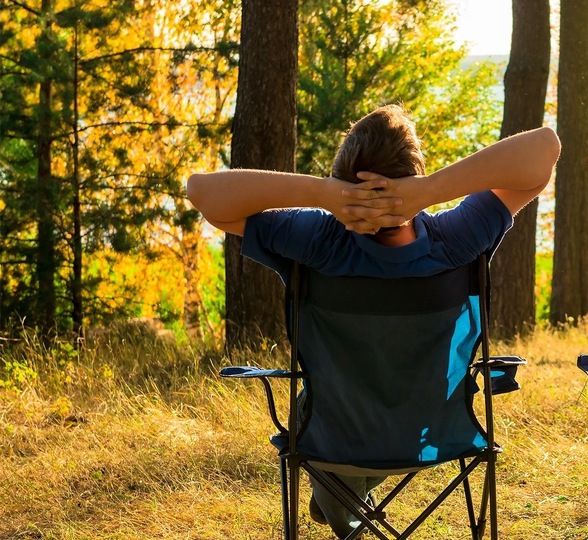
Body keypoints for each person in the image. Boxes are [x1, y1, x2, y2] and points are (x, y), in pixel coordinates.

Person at [186, 104, 561, 539]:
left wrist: (324, 195)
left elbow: (202, 193)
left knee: (322, 416)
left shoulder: (317, 242)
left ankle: (343, 503)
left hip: (332, 440)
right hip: (433, 430)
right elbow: (544, 150)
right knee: (363, 423)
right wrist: (431, 191)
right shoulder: (456, 238)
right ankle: (344, 500)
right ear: (413, 175)